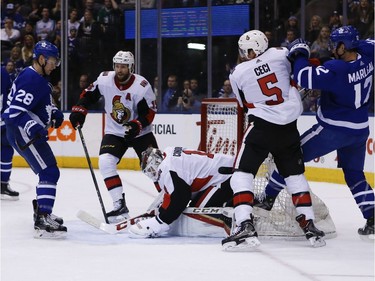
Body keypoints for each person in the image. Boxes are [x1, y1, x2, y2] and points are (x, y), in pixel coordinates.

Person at [255, 26, 375, 241]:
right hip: (359, 130)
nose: (331, 46)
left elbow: (304, 77)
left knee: (290, 156)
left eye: (335, 43)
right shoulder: (368, 55)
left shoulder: (338, 69)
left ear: (344, 46)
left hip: (332, 129)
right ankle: (373, 216)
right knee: (354, 174)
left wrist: (300, 52)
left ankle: (268, 198)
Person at [221, 30, 325, 251]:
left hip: (261, 128)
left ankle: (244, 223)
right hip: (288, 129)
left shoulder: (237, 72)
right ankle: (308, 224)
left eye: (246, 49)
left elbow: (243, 104)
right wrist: (302, 49)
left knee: (241, 174)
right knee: (295, 176)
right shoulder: (280, 53)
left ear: (253, 48)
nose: (243, 53)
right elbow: (301, 66)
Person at [69, 51, 159, 223]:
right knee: (105, 162)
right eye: (117, 66)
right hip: (115, 132)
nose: (120, 70)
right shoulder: (104, 79)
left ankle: (168, 200)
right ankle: (119, 205)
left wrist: (137, 125)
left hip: (141, 133)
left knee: (155, 167)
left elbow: (149, 112)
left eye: (124, 66)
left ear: (131, 67)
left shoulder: (142, 86)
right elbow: (88, 95)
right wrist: (80, 110)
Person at [2, 40, 67, 238]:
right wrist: (33, 126)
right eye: (52, 61)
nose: (55, 65)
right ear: (41, 59)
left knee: (48, 171)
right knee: (49, 171)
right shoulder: (31, 78)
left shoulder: (37, 78)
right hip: (23, 134)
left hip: (24, 133)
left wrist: (54, 112)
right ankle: (42, 217)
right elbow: (13, 112)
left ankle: (42, 210)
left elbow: (41, 102)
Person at [128, 146, 234, 238]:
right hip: (224, 172)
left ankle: (237, 214)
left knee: (197, 215)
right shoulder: (169, 153)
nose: (152, 174)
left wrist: (160, 221)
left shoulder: (167, 169)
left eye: (151, 170)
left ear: (155, 164)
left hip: (226, 177)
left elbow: (180, 198)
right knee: (192, 208)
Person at [0, 67, 19, 200]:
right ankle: (3, 184)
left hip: (4, 120)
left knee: (6, 149)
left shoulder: (2, 72)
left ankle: (3, 184)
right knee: (6, 149)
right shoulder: (2, 72)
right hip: (4, 119)